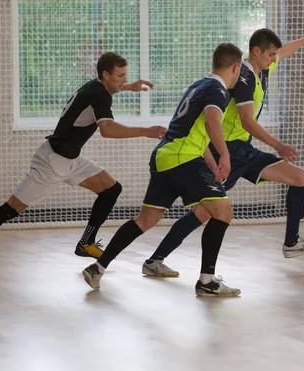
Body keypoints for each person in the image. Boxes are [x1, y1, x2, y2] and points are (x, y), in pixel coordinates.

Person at [141, 23, 304, 277]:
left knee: (300, 177)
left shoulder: (264, 66)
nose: (275, 58)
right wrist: (278, 145)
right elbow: (246, 121)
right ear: (255, 52)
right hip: (224, 152)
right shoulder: (244, 78)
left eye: (275, 55)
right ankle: (155, 260)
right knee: (204, 213)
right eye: (271, 54)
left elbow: (285, 52)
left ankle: (291, 243)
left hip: (245, 151)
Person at [0, 52, 165, 259]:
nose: (123, 79)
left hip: (71, 160)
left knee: (111, 189)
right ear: (106, 75)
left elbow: (111, 91)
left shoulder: (94, 86)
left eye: (125, 75)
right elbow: (108, 130)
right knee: (11, 209)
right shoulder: (100, 95)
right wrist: (145, 131)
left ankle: (86, 243)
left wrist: (130, 86)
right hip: (51, 163)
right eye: (120, 76)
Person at [81, 43, 244, 297]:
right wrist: (225, 155)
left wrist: (214, 167)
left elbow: (194, 134)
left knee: (146, 220)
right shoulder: (219, 91)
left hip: (164, 156)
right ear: (236, 67)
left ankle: (97, 268)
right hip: (183, 159)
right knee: (223, 212)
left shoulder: (198, 85)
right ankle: (207, 281)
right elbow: (212, 122)